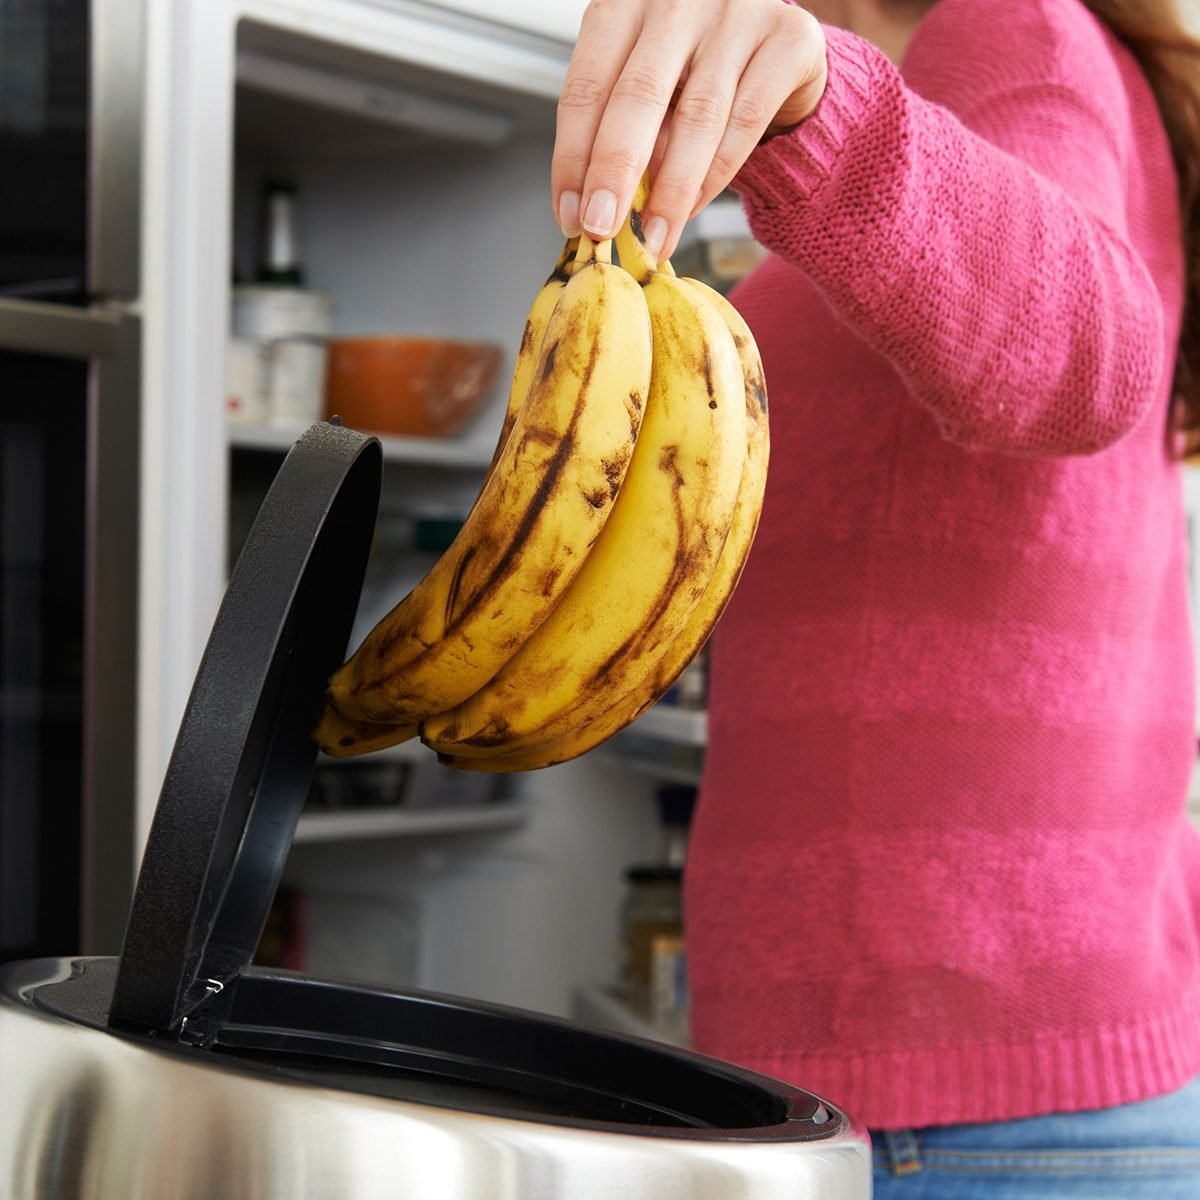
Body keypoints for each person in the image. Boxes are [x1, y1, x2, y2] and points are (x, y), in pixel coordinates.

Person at [553, 0, 1200, 1195]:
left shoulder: (1011, 27)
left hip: (957, 1102)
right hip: (951, 1084)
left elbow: (1087, 355)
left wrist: (822, 104)